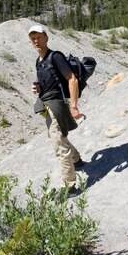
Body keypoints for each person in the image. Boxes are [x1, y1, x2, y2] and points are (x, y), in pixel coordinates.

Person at [28, 24, 85, 194]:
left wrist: (74, 106)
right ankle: (76, 160)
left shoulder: (55, 57)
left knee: (58, 144)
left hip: (56, 105)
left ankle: (70, 186)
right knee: (57, 137)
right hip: (47, 105)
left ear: (46, 38)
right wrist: (38, 88)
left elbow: (72, 79)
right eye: (33, 39)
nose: (36, 41)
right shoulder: (39, 61)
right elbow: (50, 82)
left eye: (39, 37)